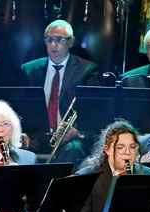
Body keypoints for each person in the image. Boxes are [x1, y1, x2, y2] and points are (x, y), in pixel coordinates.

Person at [20, 19, 100, 167]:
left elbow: (93, 111)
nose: (53, 45)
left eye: (59, 40)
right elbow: (21, 107)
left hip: (70, 137)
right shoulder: (29, 70)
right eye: (49, 40)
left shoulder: (87, 70)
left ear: (71, 42)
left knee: (72, 151)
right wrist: (21, 133)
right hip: (37, 137)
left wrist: (77, 132)